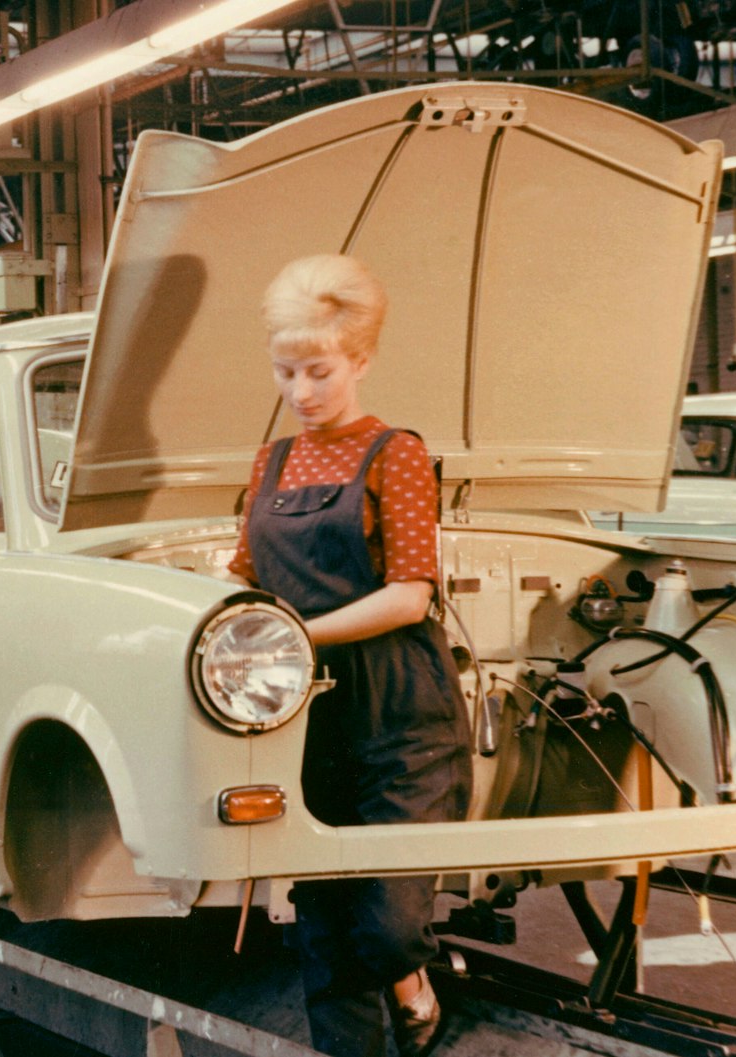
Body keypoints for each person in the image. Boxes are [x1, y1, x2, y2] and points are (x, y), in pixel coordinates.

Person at [227, 254, 472, 1057]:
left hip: (402, 711)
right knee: (325, 931)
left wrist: (293, 635)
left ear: (359, 361)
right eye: (286, 371)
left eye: (319, 371)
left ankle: (411, 980)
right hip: (308, 716)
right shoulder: (271, 462)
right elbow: (243, 577)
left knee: (391, 920)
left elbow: (409, 594)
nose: (301, 391)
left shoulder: (395, 453)